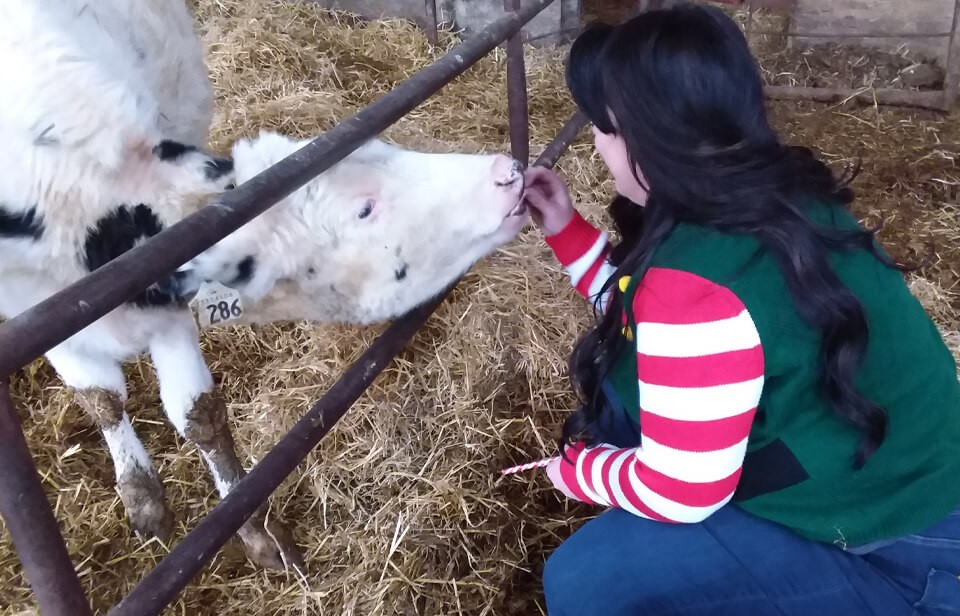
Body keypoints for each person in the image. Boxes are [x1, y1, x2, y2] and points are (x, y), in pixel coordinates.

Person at [520, 3, 960, 614]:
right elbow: (653, 323)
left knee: (584, 581)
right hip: (900, 472)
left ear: (639, 134)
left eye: (600, 125)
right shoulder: (765, 193)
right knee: (627, 395)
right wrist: (566, 229)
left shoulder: (695, 286)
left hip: (901, 548)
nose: (594, 143)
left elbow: (683, 489)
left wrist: (576, 471)